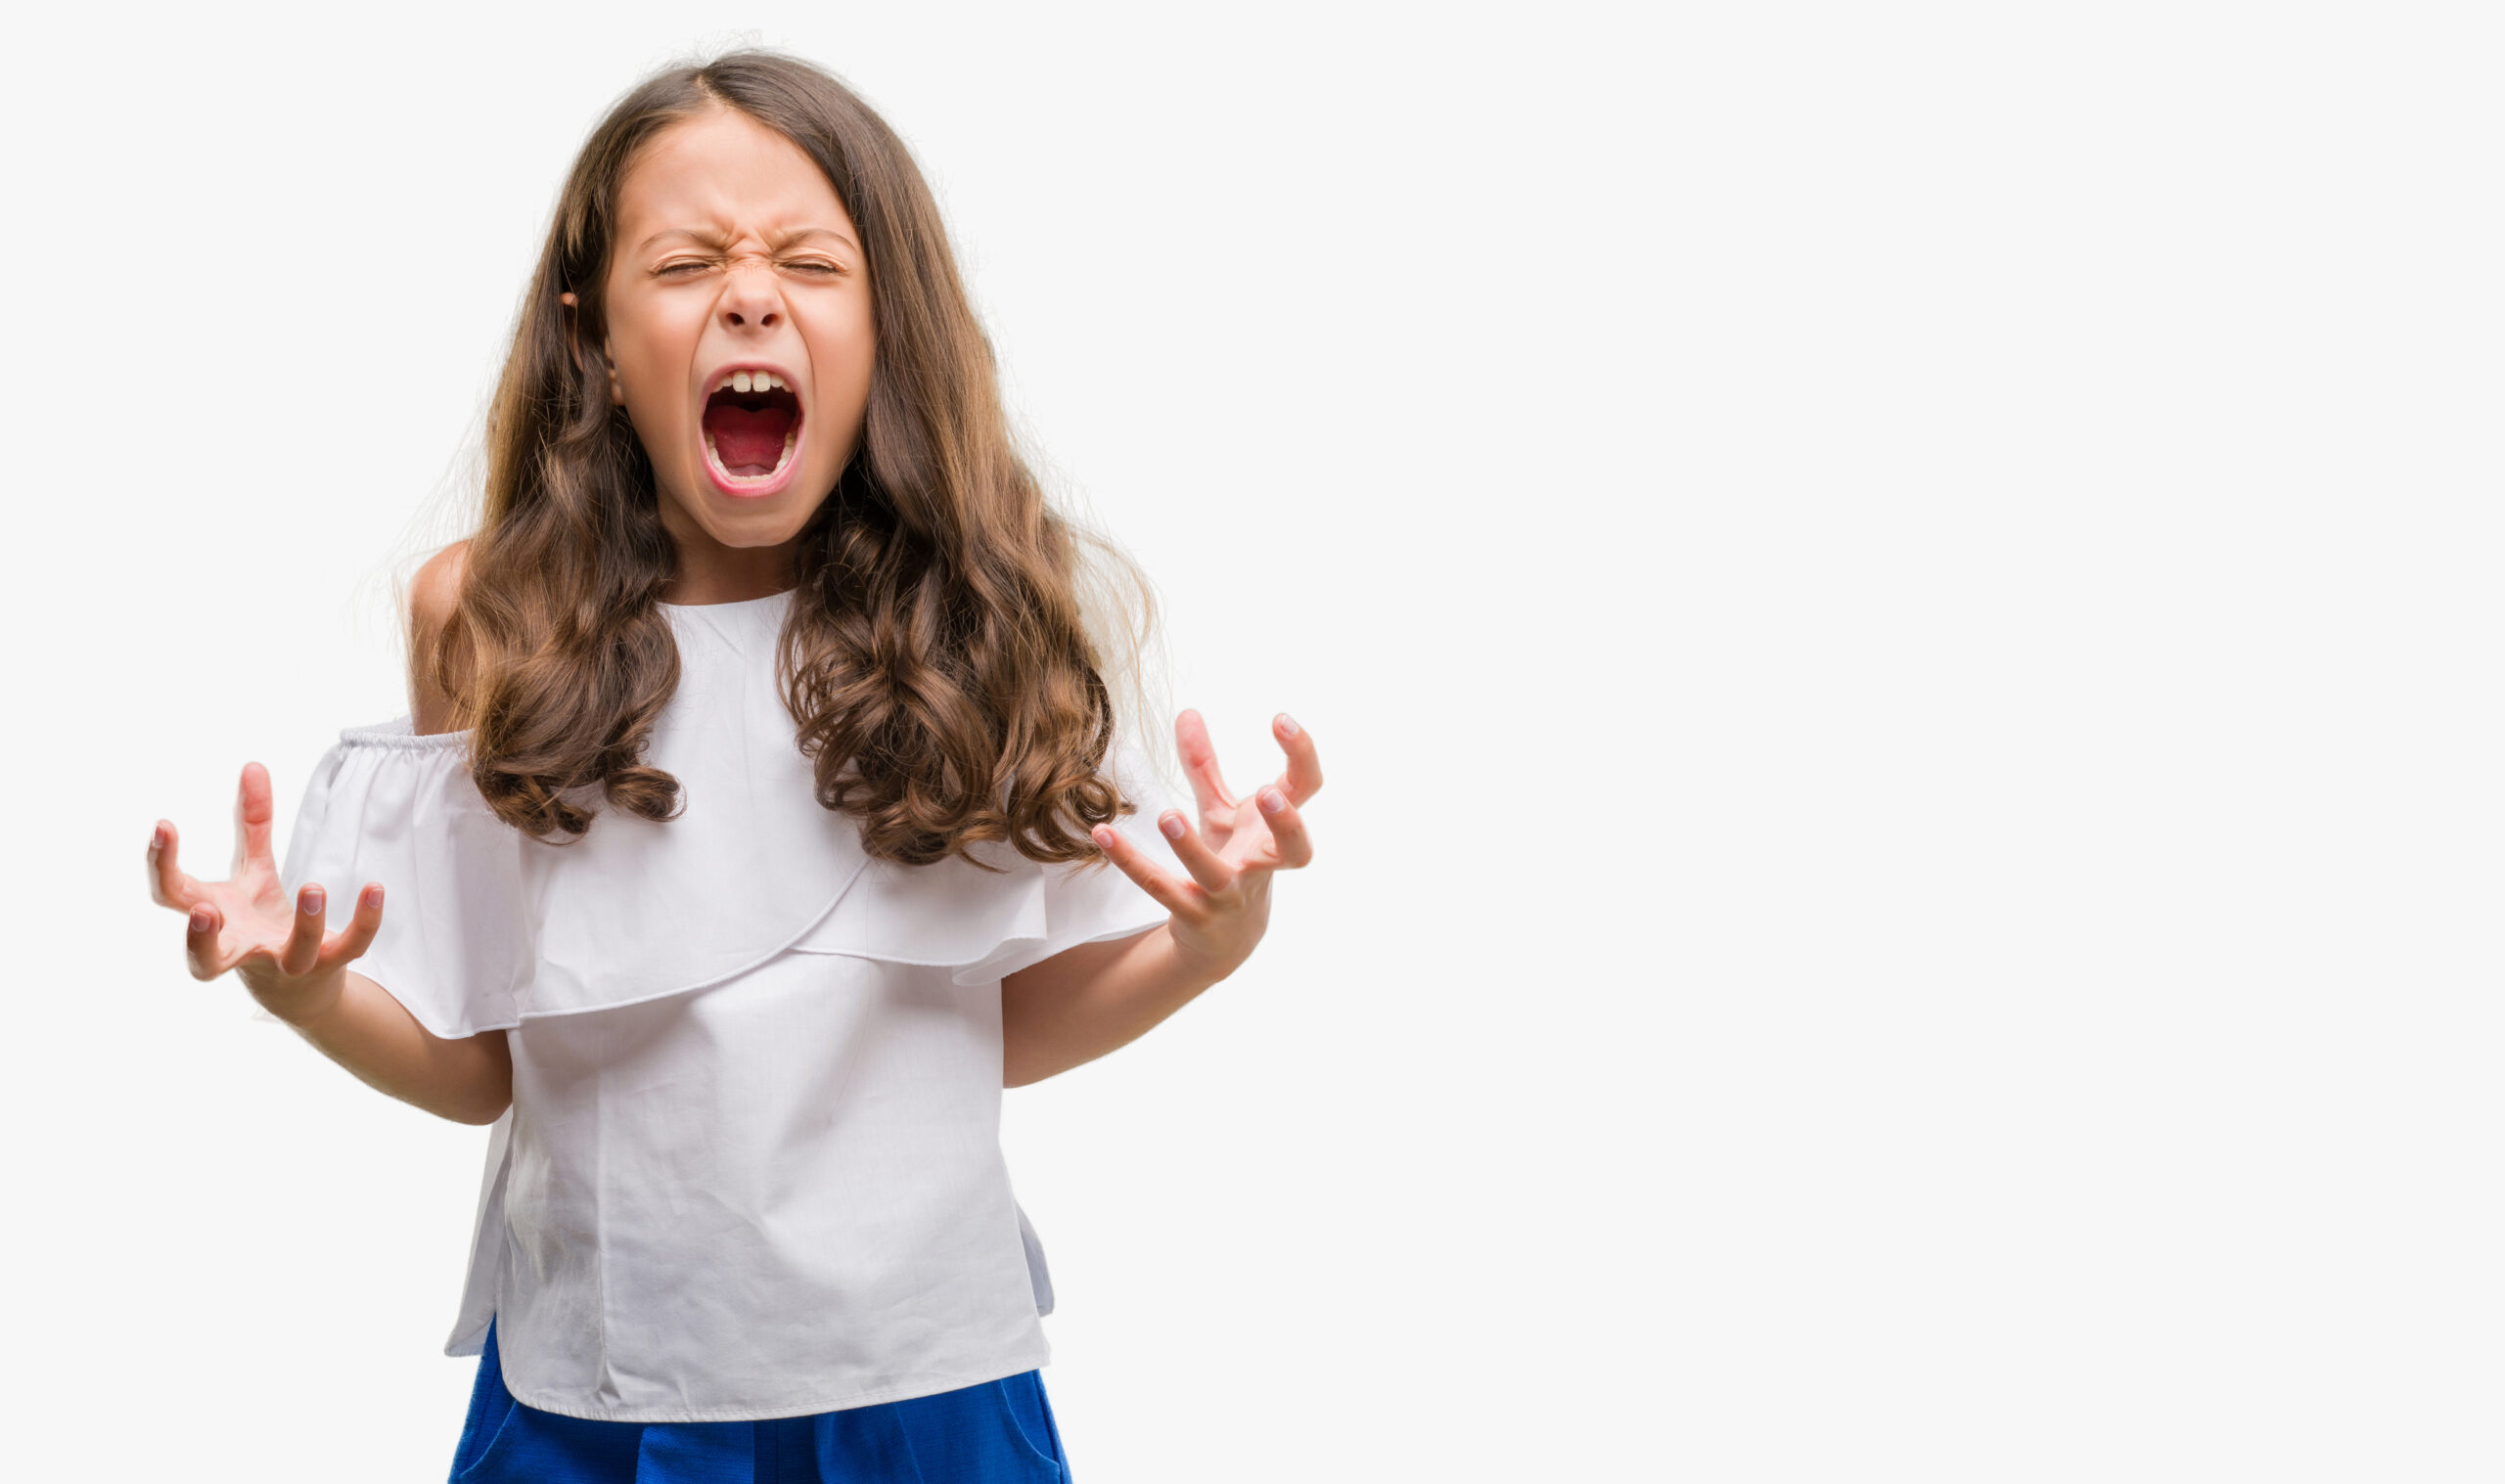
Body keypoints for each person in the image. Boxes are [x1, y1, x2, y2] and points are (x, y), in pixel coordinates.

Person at [141, 49, 1321, 1483]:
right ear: (595, 340)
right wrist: (308, 987)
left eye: (809, 262)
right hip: (598, 1403)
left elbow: (988, 1035)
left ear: (887, 330)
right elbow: (480, 1069)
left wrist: (1209, 944)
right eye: (689, 260)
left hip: (931, 1391)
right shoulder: (487, 618)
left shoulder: (967, 621)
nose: (750, 294)